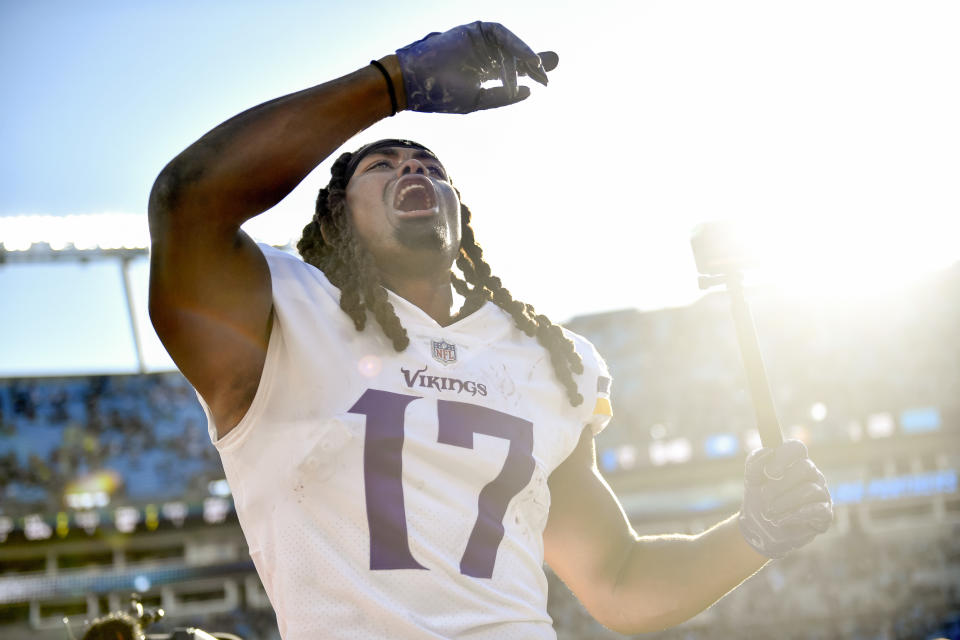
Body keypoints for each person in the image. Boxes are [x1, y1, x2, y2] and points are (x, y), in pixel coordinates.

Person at [147, 21, 833, 640]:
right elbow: (189, 202)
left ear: (459, 215)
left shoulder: (548, 360)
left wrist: (752, 536)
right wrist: (394, 82)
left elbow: (619, 581)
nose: (412, 167)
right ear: (335, 219)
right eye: (381, 165)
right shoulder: (276, 317)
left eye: (430, 167)